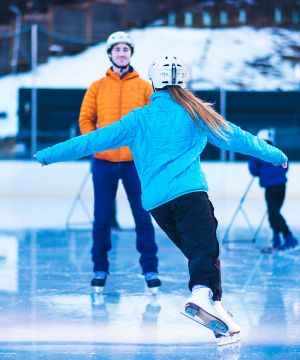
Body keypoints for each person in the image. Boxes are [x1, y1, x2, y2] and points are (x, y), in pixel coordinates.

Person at [35, 56, 288, 343]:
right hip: (190, 195)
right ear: (184, 81)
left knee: (201, 253)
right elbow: (240, 139)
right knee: (204, 250)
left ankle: (217, 309)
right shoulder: (197, 113)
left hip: (158, 204)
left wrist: (48, 155)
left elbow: (93, 140)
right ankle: (203, 295)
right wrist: (276, 155)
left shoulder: (139, 118)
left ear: (154, 83)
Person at [78, 31, 160, 292]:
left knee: (143, 217)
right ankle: (99, 268)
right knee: (101, 219)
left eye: (126, 49)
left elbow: (154, 121)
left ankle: (150, 269)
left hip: (135, 164)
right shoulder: (97, 86)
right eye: (117, 49)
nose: (121, 53)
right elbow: (85, 120)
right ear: (110, 53)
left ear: (131, 54)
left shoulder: (145, 87)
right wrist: (97, 143)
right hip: (104, 162)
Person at [249, 129, 298, 253]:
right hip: (281, 186)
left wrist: (262, 173)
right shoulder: (277, 151)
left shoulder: (259, 153)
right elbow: (285, 165)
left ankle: (288, 236)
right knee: (274, 212)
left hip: (270, 188)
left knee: (273, 213)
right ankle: (277, 238)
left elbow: (253, 170)